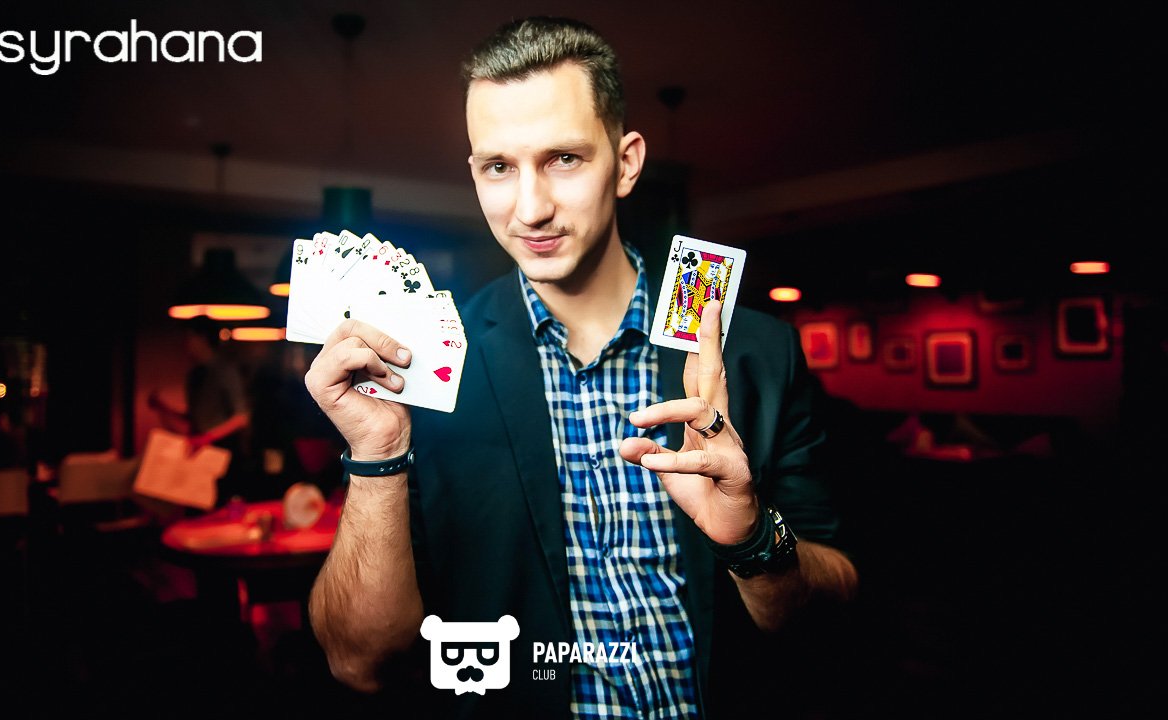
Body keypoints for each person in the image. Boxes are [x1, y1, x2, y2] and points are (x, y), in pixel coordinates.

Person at [304, 16, 859, 719]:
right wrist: (377, 453)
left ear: (626, 163)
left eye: (563, 158)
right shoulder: (422, 368)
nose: (530, 209)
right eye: (499, 167)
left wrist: (752, 539)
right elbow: (359, 663)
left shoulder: (758, 350)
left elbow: (835, 599)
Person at [148, 316, 253, 503]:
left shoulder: (225, 371)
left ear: (203, 338)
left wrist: (206, 438)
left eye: (190, 338)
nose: (186, 344)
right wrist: (164, 409)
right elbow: (195, 417)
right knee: (196, 504)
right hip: (199, 449)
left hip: (224, 451)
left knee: (223, 503)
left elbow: (241, 418)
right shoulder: (195, 375)